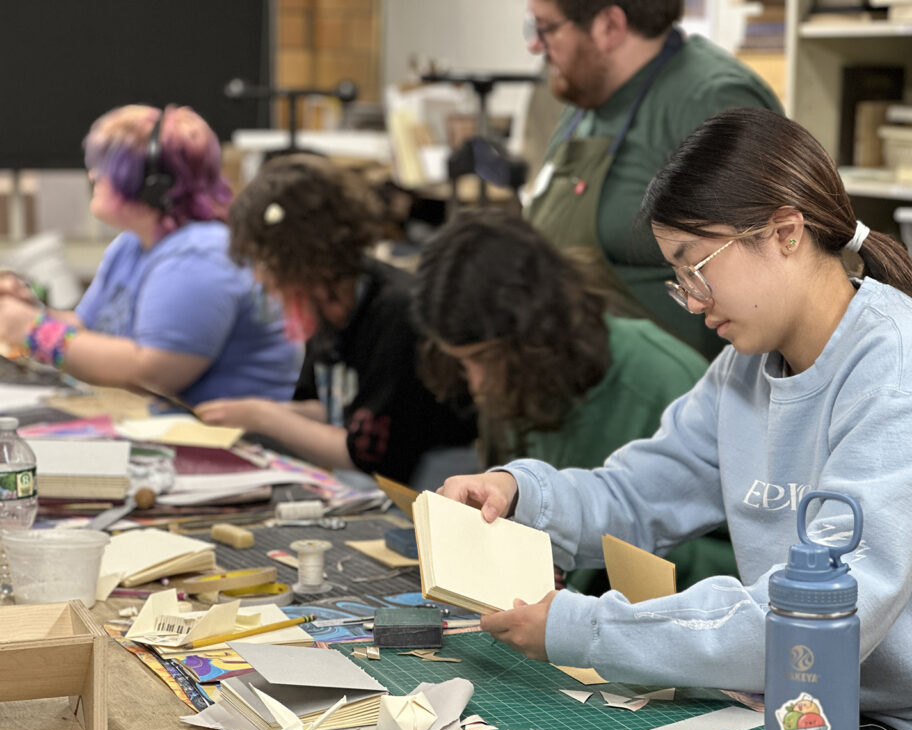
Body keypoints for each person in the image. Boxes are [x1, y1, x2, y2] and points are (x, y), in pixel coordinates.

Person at [439, 109, 912, 730]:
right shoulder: (748, 368)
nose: (690, 300)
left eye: (697, 267)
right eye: (677, 275)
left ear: (785, 233)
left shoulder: (905, 379)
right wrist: (520, 495)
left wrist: (586, 628)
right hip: (819, 709)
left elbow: (812, 622)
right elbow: (640, 491)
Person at [413, 210, 734, 592]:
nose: (477, 384)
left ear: (535, 333)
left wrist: (599, 560)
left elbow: (726, 556)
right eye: (462, 363)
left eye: (484, 359)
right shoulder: (524, 374)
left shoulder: (660, 380)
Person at [522, 0, 783, 361]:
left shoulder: (712, 98)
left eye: (545, 28)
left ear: (610, 26)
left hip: (677, 392)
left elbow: (767, 278)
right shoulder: (584, 100)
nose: (534, 45)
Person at [196, 153, 477, 486]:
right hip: (368, 486)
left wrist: (265, 417)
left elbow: (370, 456)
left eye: (267, 263)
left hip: (425, 489)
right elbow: (325, 409)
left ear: (304, 256)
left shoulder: (398, 314)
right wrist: (247, 414)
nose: (261, 278)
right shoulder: (327, 305)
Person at [0, 104, 302, 404]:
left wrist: (30, 329)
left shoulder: (200, 257)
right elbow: (87, 330)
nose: (94, 175)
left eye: (108, 167)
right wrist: (29, 311)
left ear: (153, 184)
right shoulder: (132, 245)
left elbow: (154, 373)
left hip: (235, 439)